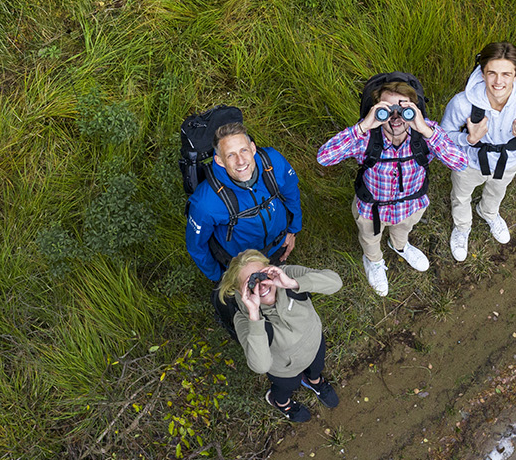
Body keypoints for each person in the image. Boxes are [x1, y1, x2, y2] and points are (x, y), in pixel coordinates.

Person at [317, 78, 467, 296]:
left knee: (403, 230)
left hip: (411, 206)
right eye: (387, 109)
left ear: (415, 109)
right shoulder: (366, 136)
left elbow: (460, 163)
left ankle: (400, 246)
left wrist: (425, 130)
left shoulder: (427, 133)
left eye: (404, 108)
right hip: (372, 210)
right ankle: (374, 261)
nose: (396, 117)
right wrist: (364, 125)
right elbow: (324, 157)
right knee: (370, 239)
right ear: (375, 110)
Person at [441, 42, 516, 261]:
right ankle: (462, 227)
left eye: (506, 74)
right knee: (461, 196)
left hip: (509, 161)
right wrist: (468, 139)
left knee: (497, 191)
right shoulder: (462, 103)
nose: (498, 82)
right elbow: (443, 136)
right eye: (492, 73)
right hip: (468, 162)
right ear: (482, 72)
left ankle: (487, 212)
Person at [219, 249, 343, 423]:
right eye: (250, 285)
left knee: (317, 366)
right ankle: (280, 402)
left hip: (314, 343)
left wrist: (292, 283)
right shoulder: (244, 317)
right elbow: (261, 366)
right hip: (285, 370)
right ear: (240, 292)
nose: (260, 286)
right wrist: (254, 314)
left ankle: (314, 381)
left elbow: (335, 283)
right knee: (286, 387)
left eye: (260, 276)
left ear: (269, 269)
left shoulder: (287, 275)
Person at [185, 123, 302, 283]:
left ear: (253, 148)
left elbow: (291, 192)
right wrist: (220, 277)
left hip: (278, 246)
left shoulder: (273, 162)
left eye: (244, 150)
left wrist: (293, 230)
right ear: (219, 160)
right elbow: (196, 246)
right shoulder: (205, 203)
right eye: (230, 155)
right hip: (241, 266)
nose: (240, 161)